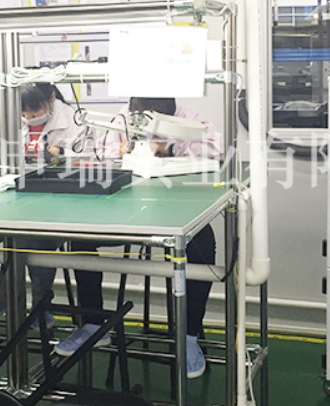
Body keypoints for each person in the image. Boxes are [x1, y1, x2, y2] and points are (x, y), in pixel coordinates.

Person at [54, 97, 222, 379]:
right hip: (126, 207)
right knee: (81, 237)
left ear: (169, 112)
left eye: (152, 116)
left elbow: (216, 147)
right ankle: (93, 324)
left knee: (202, 243)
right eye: (139, 115)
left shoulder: (188, 117)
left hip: (173, 207)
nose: (143, 122)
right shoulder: (124, 117)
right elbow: (102, 151)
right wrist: (121, 152)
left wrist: (168, 148)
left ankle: (189, 334)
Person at [0, 84, 88, 328]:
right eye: (22, 112)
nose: (28, 116)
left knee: (36, 241)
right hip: (5, 203)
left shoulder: (73, 119)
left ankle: (40, 304)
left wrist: (57, 153)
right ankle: (2, 292)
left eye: (34, 111)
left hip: (54, 203)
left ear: (51, 98)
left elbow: (92, 155)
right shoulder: (4, 112)